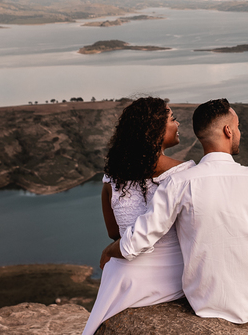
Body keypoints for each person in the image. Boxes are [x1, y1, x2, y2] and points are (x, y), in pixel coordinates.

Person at [103, 98, 248, 335]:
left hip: (203, 299)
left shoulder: (179, 182)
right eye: (237, 127)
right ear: (228, 131)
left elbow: (136, 241)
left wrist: (109, 250)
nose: (239, 132)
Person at [79, 97, 194, 335]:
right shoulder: (186, 174)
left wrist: (114, 249)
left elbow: (114, 233)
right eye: (172, 119)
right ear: (155, 131)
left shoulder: (112, 180)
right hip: (177, 275)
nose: (178, 123)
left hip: (127, 279)